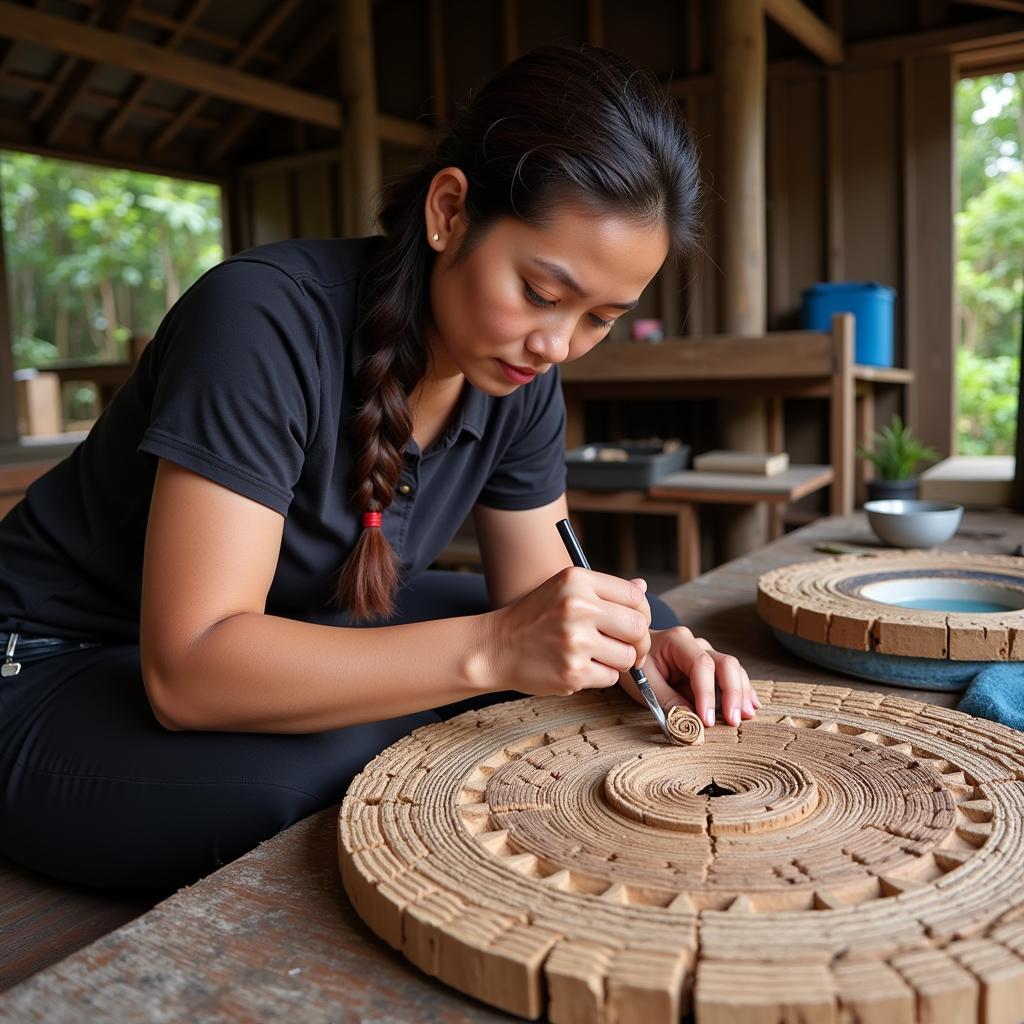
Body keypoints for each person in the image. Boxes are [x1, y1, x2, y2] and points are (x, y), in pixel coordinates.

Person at [0, 45, 759, 892]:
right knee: (342, 773)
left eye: (601, 318)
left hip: (290, 617)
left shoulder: (515, 376)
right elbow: (189, 670)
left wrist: (641, 650)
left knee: (621, 616)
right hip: (53, 664)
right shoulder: (260, 321)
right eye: (542, 294)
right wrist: (495, 650)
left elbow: (540, 596)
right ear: (449, 211)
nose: (556, 346)